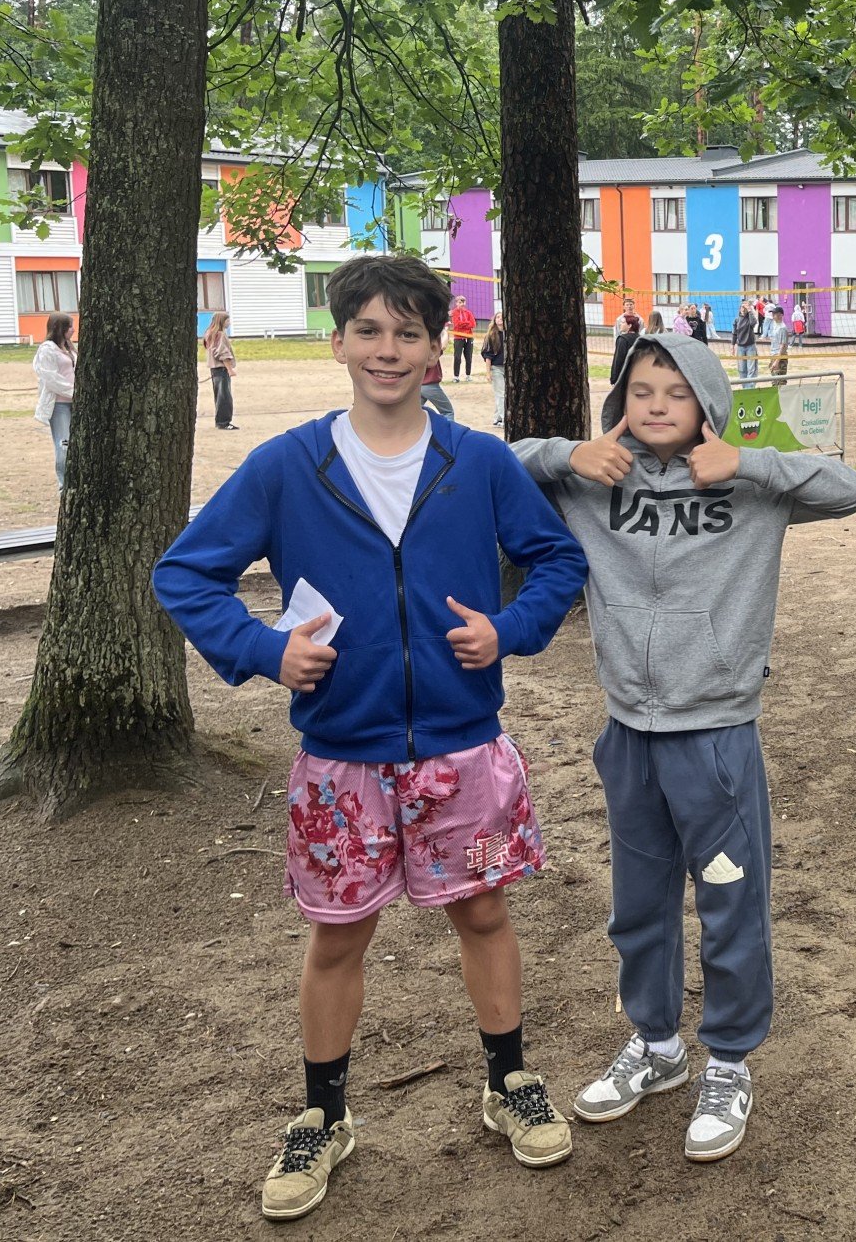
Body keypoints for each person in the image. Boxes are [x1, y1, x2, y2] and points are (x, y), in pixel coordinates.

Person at [151, 251, 590, 1224]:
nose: (387, 350)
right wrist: (264, 650)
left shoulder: (477, 462)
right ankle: (323, 1114)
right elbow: (184, 574)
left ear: (435, 351)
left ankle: (508, 1081)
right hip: (340, 763)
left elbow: (558, 559)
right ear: (339, 342)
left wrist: (508, 630)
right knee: (337, 935)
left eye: (408, 333)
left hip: (462, 755)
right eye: (369, 331)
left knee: (484, 914)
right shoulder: (287, 466)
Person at [511, 334, 856, 1163]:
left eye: (677, 391)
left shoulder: (749, 484)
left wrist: (747, 462)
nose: (658, 405)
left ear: (707, 401)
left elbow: (853, 489)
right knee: (638, 904)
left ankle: (730, 1061)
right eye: (641, 391)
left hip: (716, 734)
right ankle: (657, 1046)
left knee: (730, 903)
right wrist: (570, 452)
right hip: (628, 733)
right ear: (619, 402)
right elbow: (495, 465)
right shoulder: (592, 480)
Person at [32, 311, 76, 491]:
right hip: (59, 405)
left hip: (75, 403)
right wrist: (73, 392)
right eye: (69, 326)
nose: (73, 330)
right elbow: (50, 378)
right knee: (63, 444)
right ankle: (64, 485)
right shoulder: (47, 349)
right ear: (59, 328)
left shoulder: (70, 348)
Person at [205, 310, 240, 431]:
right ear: (221, 321)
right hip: (222, 369)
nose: (229, 323)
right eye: (227, 320)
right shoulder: (220, 335)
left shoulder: (211, 334)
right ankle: (224, 422)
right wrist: (230, 369)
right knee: (225, 397)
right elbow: (222, 353)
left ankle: (221, 421)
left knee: (219, 396)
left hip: (214, 370)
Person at [483, 311, 507, 428]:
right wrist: (488, 373)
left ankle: (497, 418)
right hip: (496, 368)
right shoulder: (491, 335)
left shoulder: (509, 335)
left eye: (502, 317)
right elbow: (488, 356)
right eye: (497, 317)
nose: (500, 319)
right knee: (501, 394)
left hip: (507, 368)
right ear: (495, 320)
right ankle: (505, 419)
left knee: (503, 394)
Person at [449, 295, 476, 382]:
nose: (462, 304)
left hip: (469, 337)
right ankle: (456, 376)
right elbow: (457, 324)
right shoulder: (454, 312)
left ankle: (468, 375)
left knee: (469, 357)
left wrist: (463, 323)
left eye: (463, 302)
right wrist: (467, 323)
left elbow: (473, 324)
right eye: (460, 302)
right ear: (456, 303)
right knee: (457, 357)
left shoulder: (468, 313)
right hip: (458, 337)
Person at [732, 304, 760, 383]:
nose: (743, 309)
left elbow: (753, 323)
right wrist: (732, 346)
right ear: (739, 309)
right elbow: (734, 334)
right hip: (740, 347)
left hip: (750, 346)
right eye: (742, 307)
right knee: (742, 369)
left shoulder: (750, 318)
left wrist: (750, 310)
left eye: (745, 307)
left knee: (751, 369)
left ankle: (750, 387)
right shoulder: (737, 320)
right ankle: (745, 387)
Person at [765, 305, 793, 382]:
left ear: (781, 315)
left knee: (780, 382)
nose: (773, 316)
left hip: (779, 357)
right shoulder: (775, 325)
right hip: (774, 355)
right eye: (773, 314)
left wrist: (777, 361)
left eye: (775, 314)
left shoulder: (782, 328)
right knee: (774, 381)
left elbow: (782, 346)